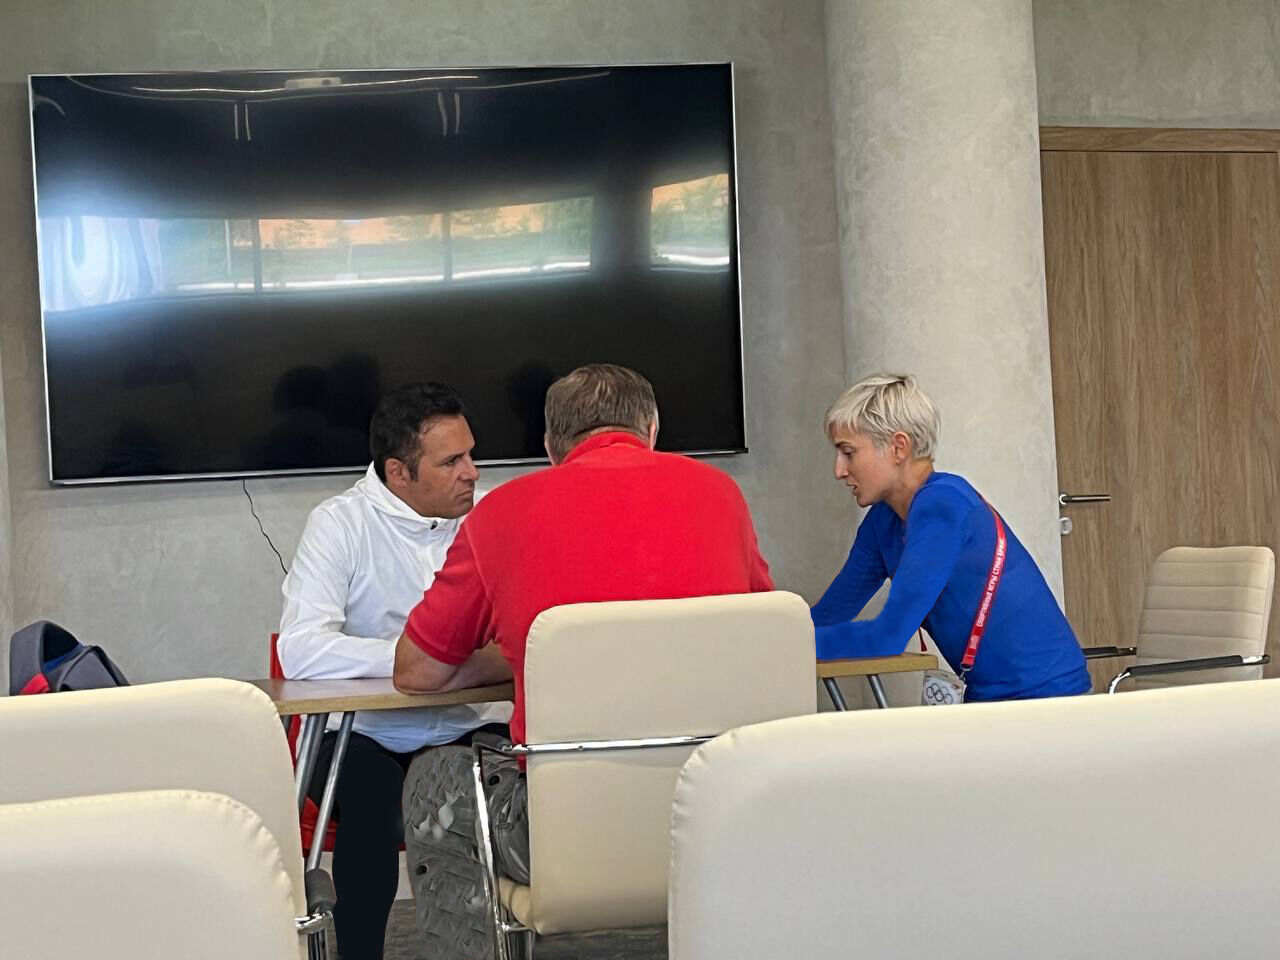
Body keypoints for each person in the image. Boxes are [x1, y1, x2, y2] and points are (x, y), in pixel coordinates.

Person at [390, 363, 773, 960]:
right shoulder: (721, 495)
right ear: (652, 429)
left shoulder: (499, 514)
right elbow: (762, 631)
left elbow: (418, 672)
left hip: (561, 837)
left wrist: (520, 654)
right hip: (723, 817)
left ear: (550, 446)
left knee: (433, 780)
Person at [277, 381, 511, 960]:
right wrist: (425, 660)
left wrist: (454, 665)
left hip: (466, 723)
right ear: (398, 473)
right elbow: (301, 649)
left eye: (471, 454)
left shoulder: (493, 519)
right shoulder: (340, 523)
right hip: (361, 734)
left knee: (516, 795)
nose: (472, 473)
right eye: (451, 462)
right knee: (373, 809)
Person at [812, 373, 1090, 702]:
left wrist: (788, 648)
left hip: (1048, 698)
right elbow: (827, 616)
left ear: (898, 447)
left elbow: (888, 636)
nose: (839, 470)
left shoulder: (943, 504)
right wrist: (777, 637)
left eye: (848, 453)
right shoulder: (882, 521)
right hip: (988, 699)